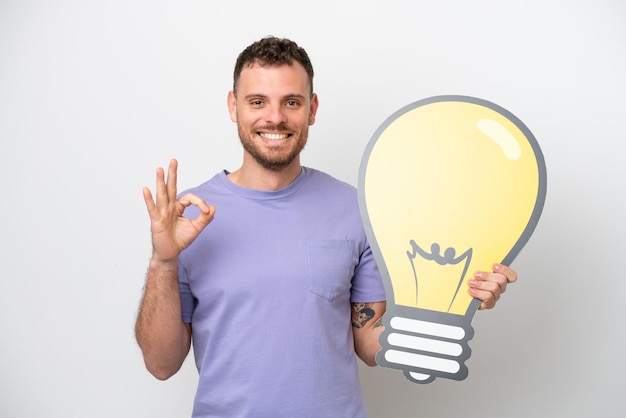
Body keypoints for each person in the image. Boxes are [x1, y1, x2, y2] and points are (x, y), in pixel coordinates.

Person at [135, 36, 518, 418]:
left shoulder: (355, 209)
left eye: (291, 102)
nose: (275, 118)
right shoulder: (188, 217)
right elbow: (161, 364)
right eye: (257, 102)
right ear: (233, 107)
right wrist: (163, 261)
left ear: (312, 108)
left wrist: (452, 304)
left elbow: (369, 342)